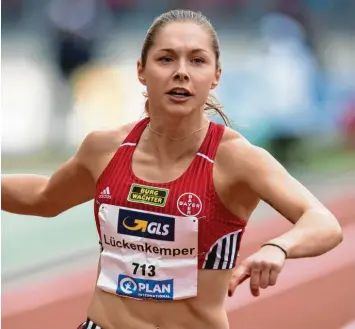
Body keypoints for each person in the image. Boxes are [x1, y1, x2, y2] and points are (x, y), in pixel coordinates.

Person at [1, 9, 343, 329]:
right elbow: (43, 198)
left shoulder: (236, 159)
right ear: (141, 70)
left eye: (197, 60)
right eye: (166, 59)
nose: (182, 71)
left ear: (216, 76)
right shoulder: (104, 149)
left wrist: (278, 247)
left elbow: (323, 222)